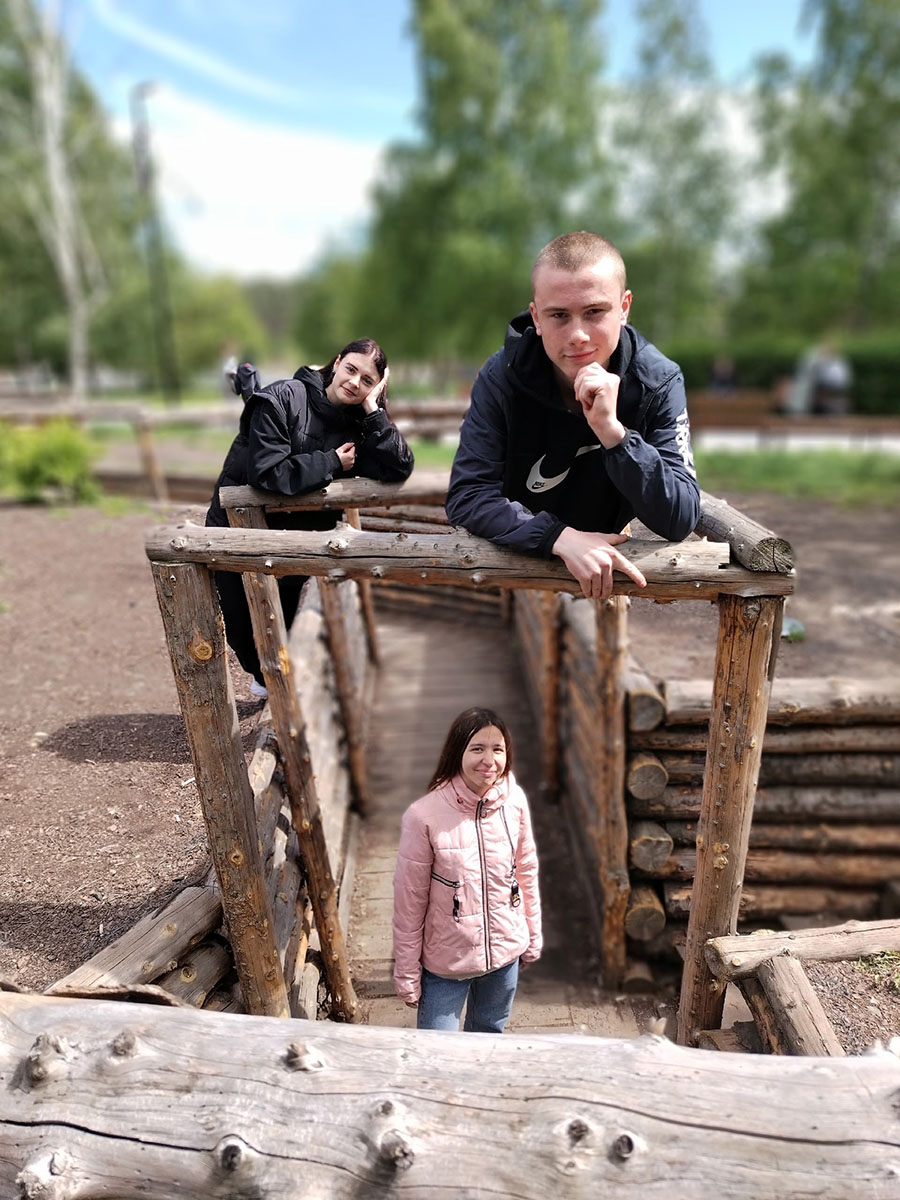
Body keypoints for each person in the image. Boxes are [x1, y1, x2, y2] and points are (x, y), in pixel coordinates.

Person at [446, 231, 701, 601]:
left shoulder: (658, 381)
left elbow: (680, 517)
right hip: (522, 556)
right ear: (536, 317)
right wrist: (559, 537)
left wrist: (614, 435)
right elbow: (468, 495)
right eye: (559, 316)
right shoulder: (501, 377)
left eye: (594, 312)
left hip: (607, 565)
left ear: (624, 307)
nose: (578, 335)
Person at [205, 338, 414, 696]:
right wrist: (332, 462)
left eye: (367, 380)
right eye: (351, 369)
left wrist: (373, 409)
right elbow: (267, 471)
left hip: (297, 538)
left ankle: (280, 693)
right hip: (237, 528)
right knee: (241, 627)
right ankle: (265, 680)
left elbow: (400, 466)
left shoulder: (360, 423)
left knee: (283, 620)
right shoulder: (283, 397)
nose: (355, 382)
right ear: (337, 362)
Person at [392, 707, 541, 1033]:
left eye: (497, 749)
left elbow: (526, 870)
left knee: (488, 1041)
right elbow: (409, 901)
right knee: (436, 1050)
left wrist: (532, 934)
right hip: (447, 964)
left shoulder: (515, 801)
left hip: (504, 955)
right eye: (477, 749)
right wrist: (407, 971)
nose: (489, 760)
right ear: (457, 751)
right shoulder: (423, 816)